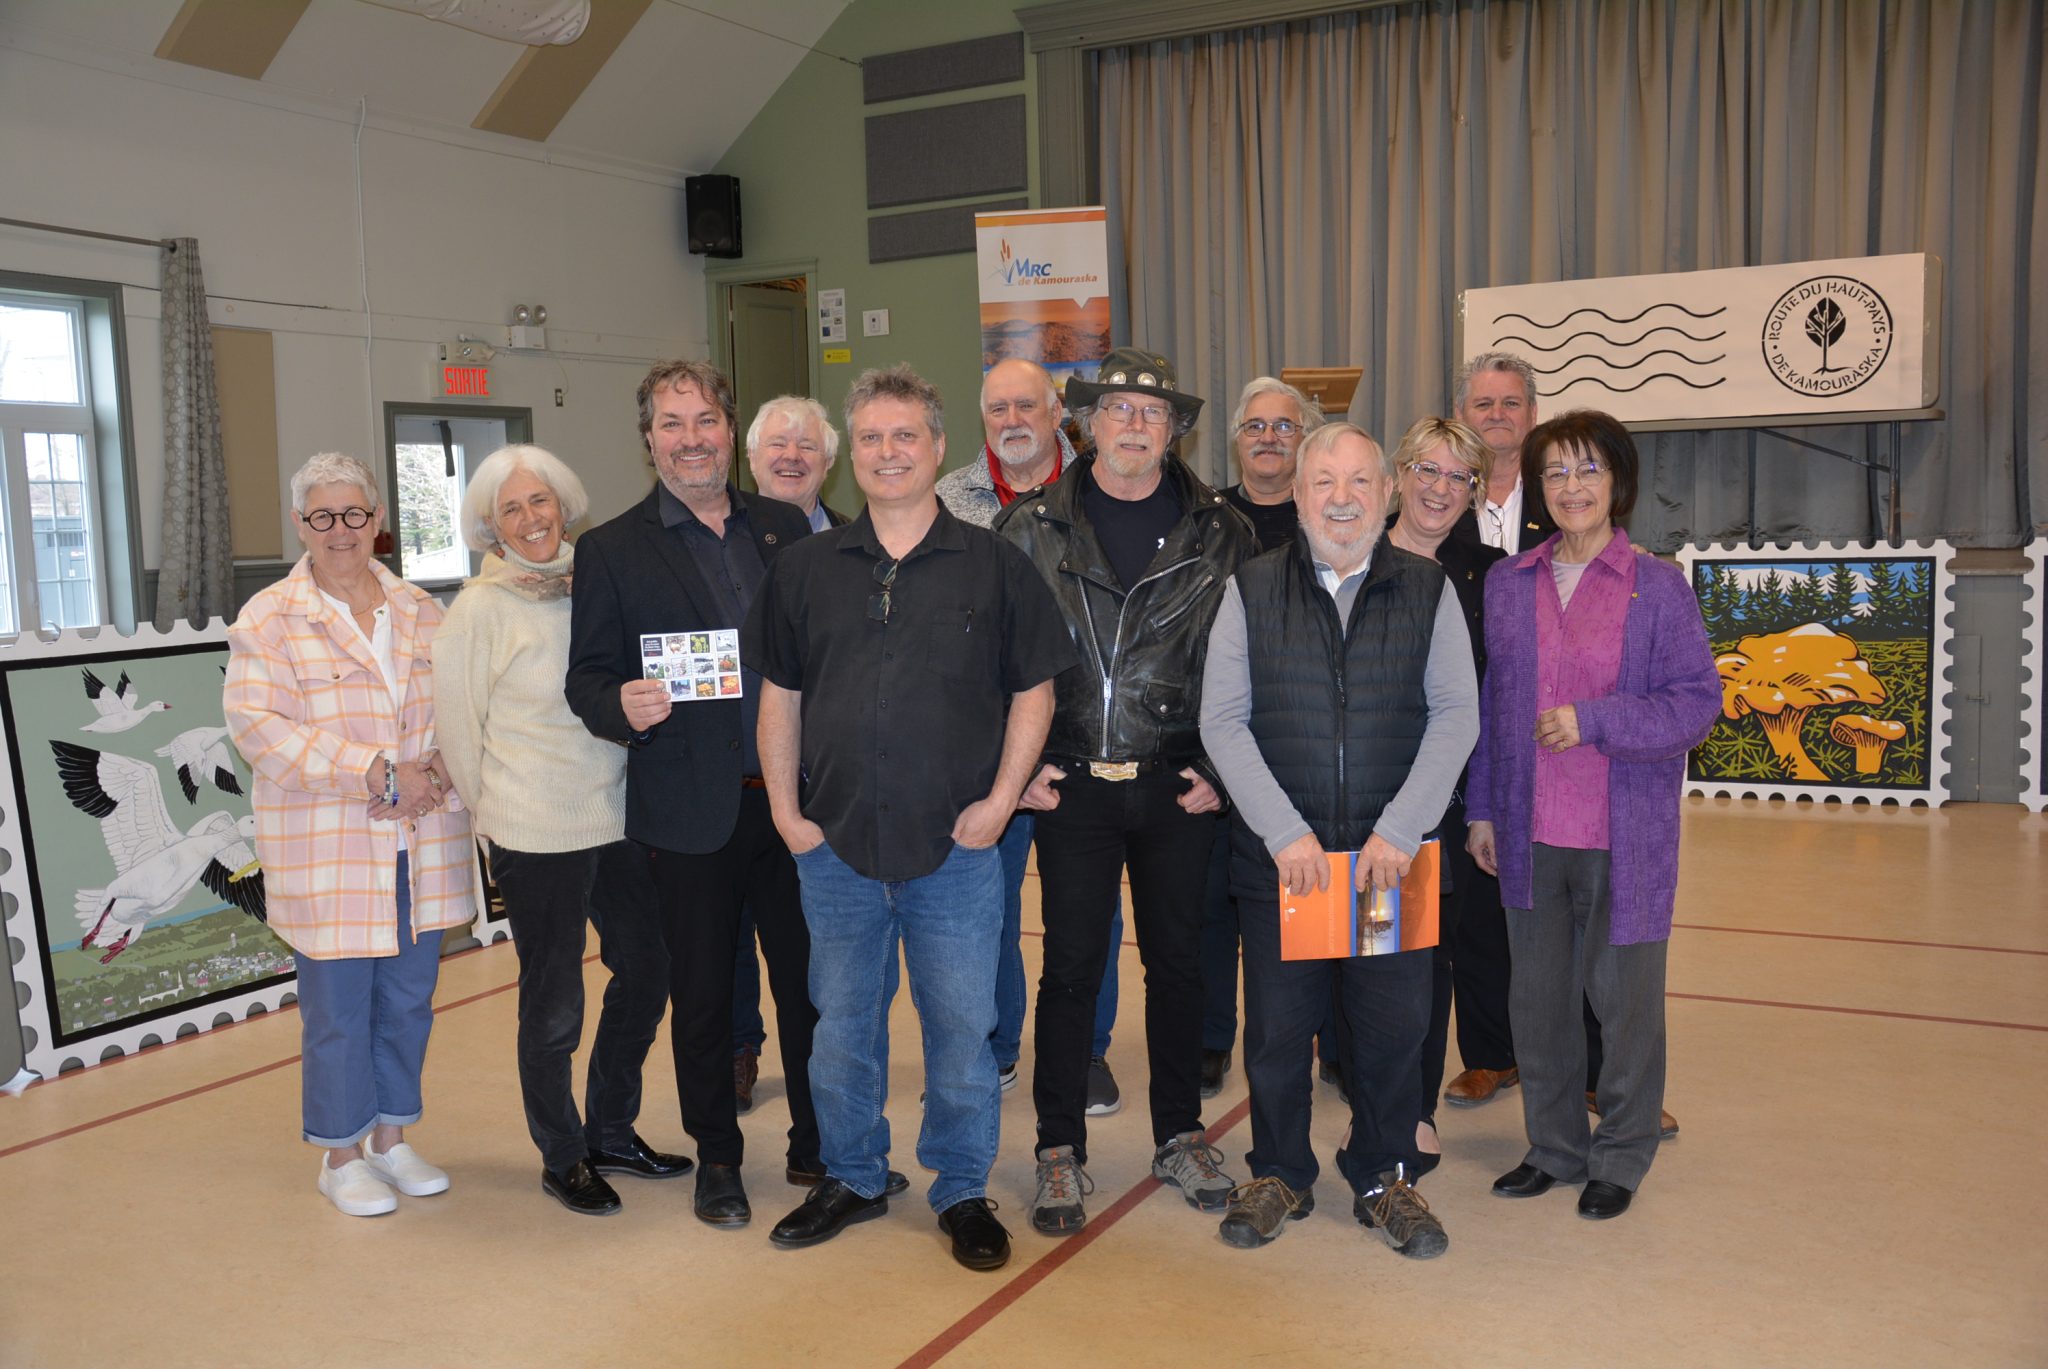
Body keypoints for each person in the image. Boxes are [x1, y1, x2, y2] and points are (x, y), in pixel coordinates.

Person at [747, 364, 1075, 1271]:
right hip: (834, 848)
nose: (888, 452)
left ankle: (962, 1187)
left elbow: (1036, 690)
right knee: (841, 1027)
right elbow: (780, 696)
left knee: (962, 1030)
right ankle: (852, 1174)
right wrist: (787, 813)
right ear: (851, 456)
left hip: (956, 851)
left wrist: (1000, 802)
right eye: (871, 438)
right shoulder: (804, 570)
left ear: (937, 446)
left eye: (905, 436)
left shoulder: (995, 564)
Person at [994, 347, 1256, 1235]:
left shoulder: (1224, 533)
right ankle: (1057, 1147)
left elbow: (1253, 664)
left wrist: (1220, 772)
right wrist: (1017, 766)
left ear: (1174, 428)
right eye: (1117, 408)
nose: (1134, 424)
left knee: (1179, 965)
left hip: (1177, 785)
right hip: (1070, 783)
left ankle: (1180, 1133)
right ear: (1087, 422)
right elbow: (990, 658)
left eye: (1152, 412)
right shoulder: (1029, 528)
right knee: (1070, 968)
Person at [1200, 423, 1477, 1257]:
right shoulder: (1250, 588)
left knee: (1393, 1032)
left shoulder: (1429, 589)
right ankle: (1279, 1171)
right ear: (1297, 494)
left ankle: (1384, 1175)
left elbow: (1456, 716)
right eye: (1324, 481)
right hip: (1288, 868)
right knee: (1279, 1034)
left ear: (1386, 493)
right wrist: (1284, 833)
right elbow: (1223, 721)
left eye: (1360, 480)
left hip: (1386, 867)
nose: (1343, 498)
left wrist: (1401, 828)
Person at [565, 359, 820, 1229]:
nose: (691, 439)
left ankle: (818, 1143)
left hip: (793, 801)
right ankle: (718, 1157)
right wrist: (621, 706)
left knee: (812, 988)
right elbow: (587, 680)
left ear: (729, 428)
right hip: (686, 810)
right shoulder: (611, 549)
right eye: (671, 424)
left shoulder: (786, 527)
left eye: (705, 419)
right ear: (648, 440)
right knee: (704, 996)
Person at [1466, 409, 1719, 1220]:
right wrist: (1483, 808)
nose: (1571, 486)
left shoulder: (1658, 586)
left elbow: (1696, 704)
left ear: (1618, 481)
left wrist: (1594, 720)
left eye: (1589, 469)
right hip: (1528, 827)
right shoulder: (1510, 584)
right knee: (1537, 1002)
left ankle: (1621, 1152)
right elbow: (1494, 704)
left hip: (1624, 833)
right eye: (1555, 472)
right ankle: (1553, 1147)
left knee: (1624, 1002)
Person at [434, 444, 688, 1217]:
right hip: (533, 830)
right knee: (553, 1004)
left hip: (614, 814)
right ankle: (563, 1152)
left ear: (565, 504)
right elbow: (458, 730)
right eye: (510, 508)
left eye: (539, 500)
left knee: (647, 970)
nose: (530, 518)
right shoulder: (479, 610)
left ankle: (611, 1129)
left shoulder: (598, 580)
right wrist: (496, 818)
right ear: (491, 526)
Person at [225, 452, 472, 1218]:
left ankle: (391, 1139)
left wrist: (436, 769)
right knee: (338, 1011)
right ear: (300, 525)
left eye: (355, 514)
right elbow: (261, 729)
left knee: (408, 999)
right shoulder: (268, 618)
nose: (341, 530)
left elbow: (461, 708)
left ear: (378, 521)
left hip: (418, 842)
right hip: (330, 848)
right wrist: (374, 772)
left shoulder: (422, 610)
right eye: (323, 516)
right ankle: (340, 1155)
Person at [935, 356, 1124, 1114]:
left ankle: (1087, 1051)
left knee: (1089, 910)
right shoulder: (948, 499)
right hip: (992, 745)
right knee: (991, 905)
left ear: (1057, 415)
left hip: (1085, 740)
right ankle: (1000, 1042)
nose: (1012, 421)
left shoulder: (1105, 487)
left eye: (1026, 406)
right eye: (997, 409)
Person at [1382, 417, 1505, 1174]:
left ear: (1475, 492)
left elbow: (1495, 700)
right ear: (1399, 475)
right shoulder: (1354, 555)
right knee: (1376, 958)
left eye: (1459, 477)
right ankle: (1377, 1100)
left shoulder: (1491, 576)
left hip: (1452, 804)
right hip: (1367, 802)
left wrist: (1483, 806)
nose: (1439, 488)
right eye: (1426, 470)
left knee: (1429, 963)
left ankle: (1416, 1111)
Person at [1200, 376, 1326, 1098]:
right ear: (1236, 441)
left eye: (1284, 426)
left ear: (1304, 440)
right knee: (1216, 904)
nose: (1270, 438)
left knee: (1321, 898)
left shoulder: (1329, 519)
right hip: (1224, 750)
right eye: (1256, 426)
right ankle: (1213, 1036)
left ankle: (1333, 1039)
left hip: (1308, 749)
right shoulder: (1205, 522)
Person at [733, 394, 845, 1110]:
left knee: (818, 943)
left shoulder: (864, 541)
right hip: (738, 774)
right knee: (733, 932)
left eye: (807, 445)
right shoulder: (718, 539)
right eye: (777, 444)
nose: (791, 456)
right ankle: (740, 1047)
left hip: (831, 780)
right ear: (751, 459)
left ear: (830, 462)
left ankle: (823, 1077)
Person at [1452, 350, 1556, 558]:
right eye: (1484, 404)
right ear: (1459, 415)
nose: (1497, 415)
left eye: (1511, 403)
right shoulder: (1439, 494)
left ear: (1533, 414)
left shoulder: (1560, 491)